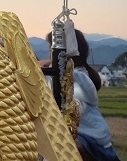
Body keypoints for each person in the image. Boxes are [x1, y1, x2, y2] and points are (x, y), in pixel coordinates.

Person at [42, 29, 120, 161]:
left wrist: (48, 65)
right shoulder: (69, 75)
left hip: (92, 140)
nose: (50, 53)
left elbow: (67, 84)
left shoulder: (81, 77)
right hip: (84, 137)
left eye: (53, 50)